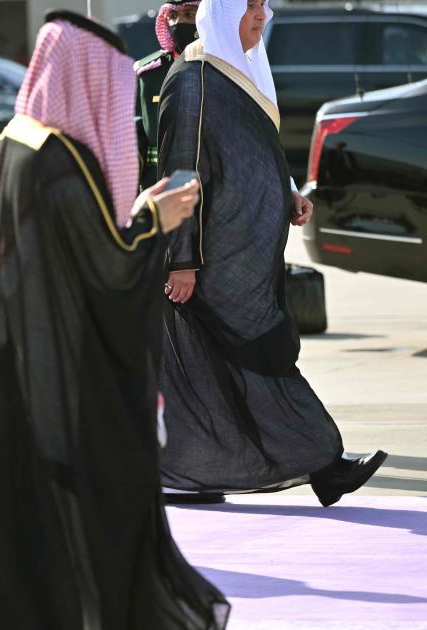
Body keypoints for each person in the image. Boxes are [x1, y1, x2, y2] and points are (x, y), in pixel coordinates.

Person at [0, 10, 229, 629]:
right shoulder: (58, 159)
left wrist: (135, 217)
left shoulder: (20, 138)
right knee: (79, 517)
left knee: (22, 527)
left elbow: (73, 250)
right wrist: (154, 222)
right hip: (45, 377)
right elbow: (107, 268)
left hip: (11, 363)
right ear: (87, 73)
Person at [157, 0, 387, 507]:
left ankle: (195, 474)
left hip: (243, 250)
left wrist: (286, 194)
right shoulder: (192, 79)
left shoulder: (238, 72)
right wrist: (182, 258)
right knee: (264, 354)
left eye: (263, 5)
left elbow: (249, 150)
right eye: (251, 6)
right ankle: (326, 464)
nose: (262, 16)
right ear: (223, 13)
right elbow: (180, 171)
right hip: (211, 258)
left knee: (236, 363)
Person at [135, 0, 200, 190]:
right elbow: (136, 135)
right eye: (172, 16)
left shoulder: (220, 67)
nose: (178, 23)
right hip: (157, 185)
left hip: (206, 186)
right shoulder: (149, 73)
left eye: (189, 14)